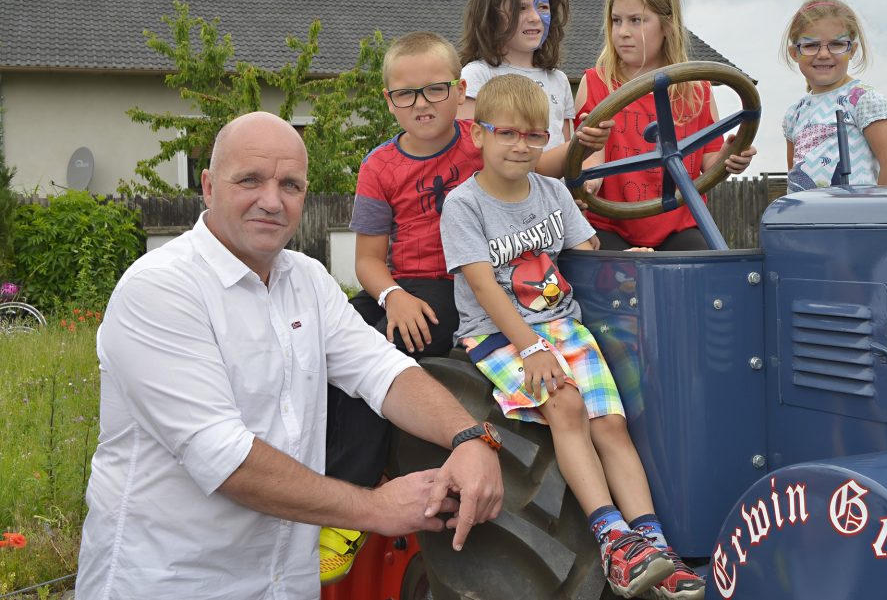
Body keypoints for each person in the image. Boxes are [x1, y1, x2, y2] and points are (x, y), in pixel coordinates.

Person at [76, 111, 504, 600]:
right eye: (250, 180)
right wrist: (377, 508)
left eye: (291, 185)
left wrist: (469, 436)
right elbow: (223, 458)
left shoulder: (307, 279)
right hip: (175, 580)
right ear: (209, 186)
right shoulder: (161, 290)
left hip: (285, 583)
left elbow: (381, 370)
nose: (272, 201)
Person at [325, 32, 610, 579]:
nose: (422, 104)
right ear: (389, 100)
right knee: (359, 351)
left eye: (435, 89)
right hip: (416, 286)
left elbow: (540, 158)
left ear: (461, 94)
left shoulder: (481, 140)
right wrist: (393, 296)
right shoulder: (379, 167)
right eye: (406, 94)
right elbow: (366, 260)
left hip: (491, 280)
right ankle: (351, 497)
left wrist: (583, 143)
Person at [440, 74, 704, 600]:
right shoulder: (464, 205)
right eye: (507, 133)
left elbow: (585, 249)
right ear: (478, 135)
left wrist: (621, 262)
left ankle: (653, 545)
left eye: (535, 135)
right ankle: (611, 540)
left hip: (563, 323)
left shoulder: (552, 189)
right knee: (564, 407)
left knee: (610, 422)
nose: (521, 145)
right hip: (498, 333)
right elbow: (483, 288)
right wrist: (532, 347)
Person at [575, 0, 757, 251]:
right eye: (616, 20)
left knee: (707, 269)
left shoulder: (696, 90)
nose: (622, 32)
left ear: (667, 25)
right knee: (599, 268)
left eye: (636, 21)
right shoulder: (596, 83)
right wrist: (589, 182)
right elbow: (591, 156)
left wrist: (730, 155)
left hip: (677, 225)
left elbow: (710, 162)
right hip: (611, 224)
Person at [457, 0, 583, 168]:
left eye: (543, 7)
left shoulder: (559, 80)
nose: (534, 17)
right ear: (490, 14)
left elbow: (566, 154)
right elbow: (469, 155)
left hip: (556, 200)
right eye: (522, 8)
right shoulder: (477, 76)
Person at [781, 0, 887, 192]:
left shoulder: (863, 100)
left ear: (852, 50)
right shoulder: (793, 114)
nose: (823, 54)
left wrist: (884, 218)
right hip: (806, 219)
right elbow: (794, 176)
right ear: (795, 53)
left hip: (855, 219)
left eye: (837, 44)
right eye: (811, 45)